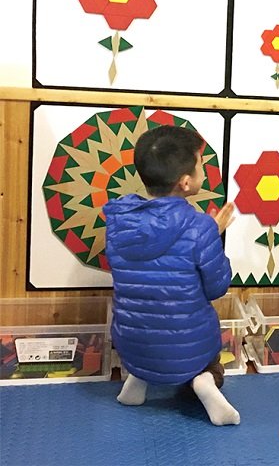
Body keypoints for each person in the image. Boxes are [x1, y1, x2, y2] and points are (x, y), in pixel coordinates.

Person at [104, 125, 239, 426]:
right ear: (186, 182)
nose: (204, 170)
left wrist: (207, 233)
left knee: (150, 323)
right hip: (189, 349)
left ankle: (138, 379)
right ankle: (204, 381)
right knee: (207, 356)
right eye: (201, 165)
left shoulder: (118, 222)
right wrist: (212, 234)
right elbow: (217, 287)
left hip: (131, 344)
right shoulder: (200, 227)